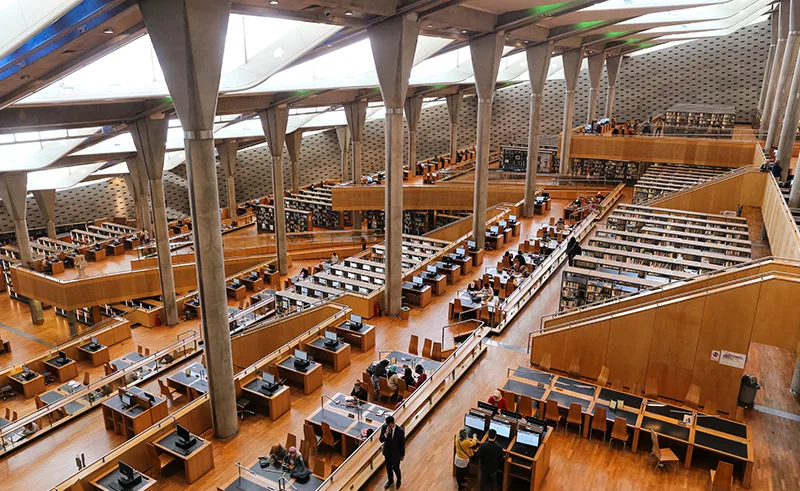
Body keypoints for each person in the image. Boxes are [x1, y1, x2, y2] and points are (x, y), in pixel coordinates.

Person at [379, 415, 405, 489]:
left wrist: (402, 454)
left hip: (396, 453)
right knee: (388, 468)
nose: (388, 426)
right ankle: (390, 481)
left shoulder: (400, 431)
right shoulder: (384, 428)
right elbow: (381, 439)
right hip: (387, 452)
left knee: (396, 467)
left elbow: (402, 444)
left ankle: (399, 479)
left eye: (389, 425)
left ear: (392, 423)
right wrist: (385, 434)